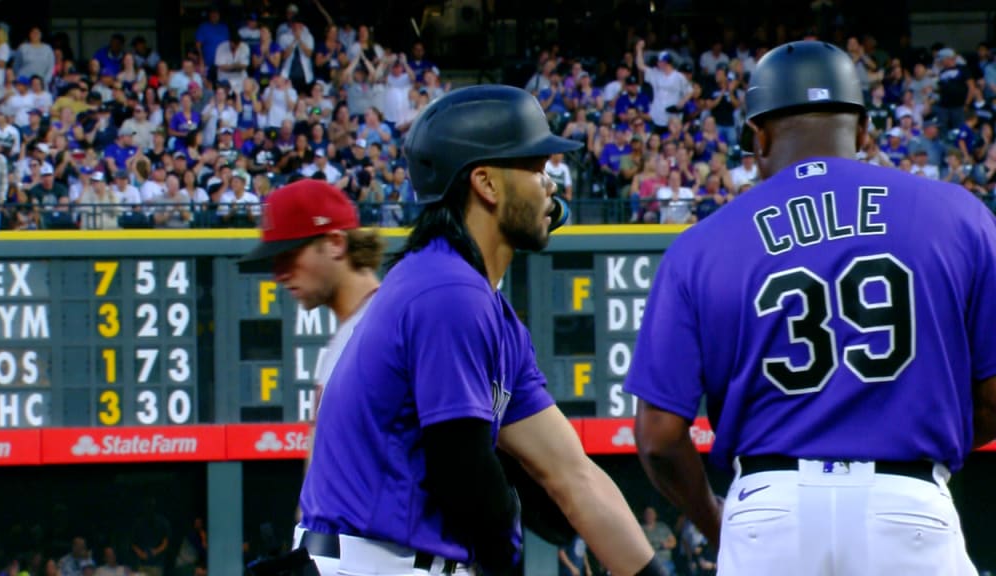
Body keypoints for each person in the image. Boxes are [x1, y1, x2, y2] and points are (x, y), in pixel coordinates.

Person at [626, 40, 994, 576]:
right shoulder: (960, 215)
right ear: (864, 131)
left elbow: (658, 436)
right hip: (907, 505)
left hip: (770, 511)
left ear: (760, 136)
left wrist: (715, 519)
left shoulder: (701, 245)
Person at [299, 84, 666, 576]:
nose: (551, 185)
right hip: (369, 563)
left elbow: (573, 476)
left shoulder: (484, 307)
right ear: (486, 184)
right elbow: (465, 473)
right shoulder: (445, 290)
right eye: (535, 169)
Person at [238, 179, 384, 576]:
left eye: (289, 255)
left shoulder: (389, 329)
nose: (278, 274)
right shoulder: (344, 337)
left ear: (335, 243)